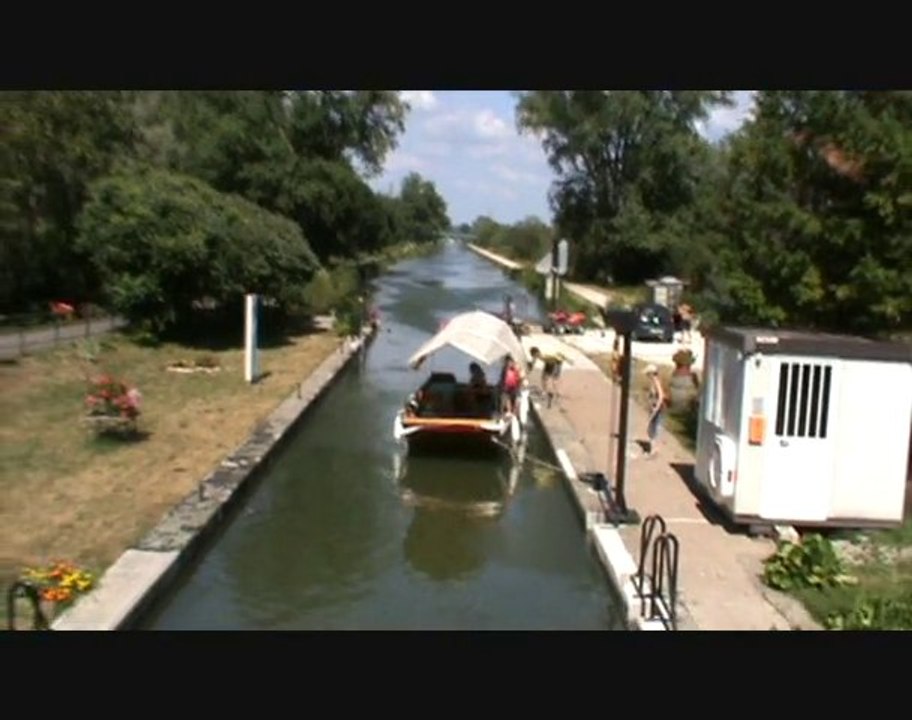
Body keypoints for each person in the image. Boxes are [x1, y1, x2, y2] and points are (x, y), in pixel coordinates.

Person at [644, 364, 666, 458]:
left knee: (652, 429)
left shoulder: (656, 382)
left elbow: (661, 395)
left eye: (648, 374)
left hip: (658, 409)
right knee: (652, 429)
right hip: (655, 408)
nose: (647, 376)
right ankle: (653, 450)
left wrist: (656, 408)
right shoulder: (653, 382)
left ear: (652, 373)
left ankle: (653, 451)